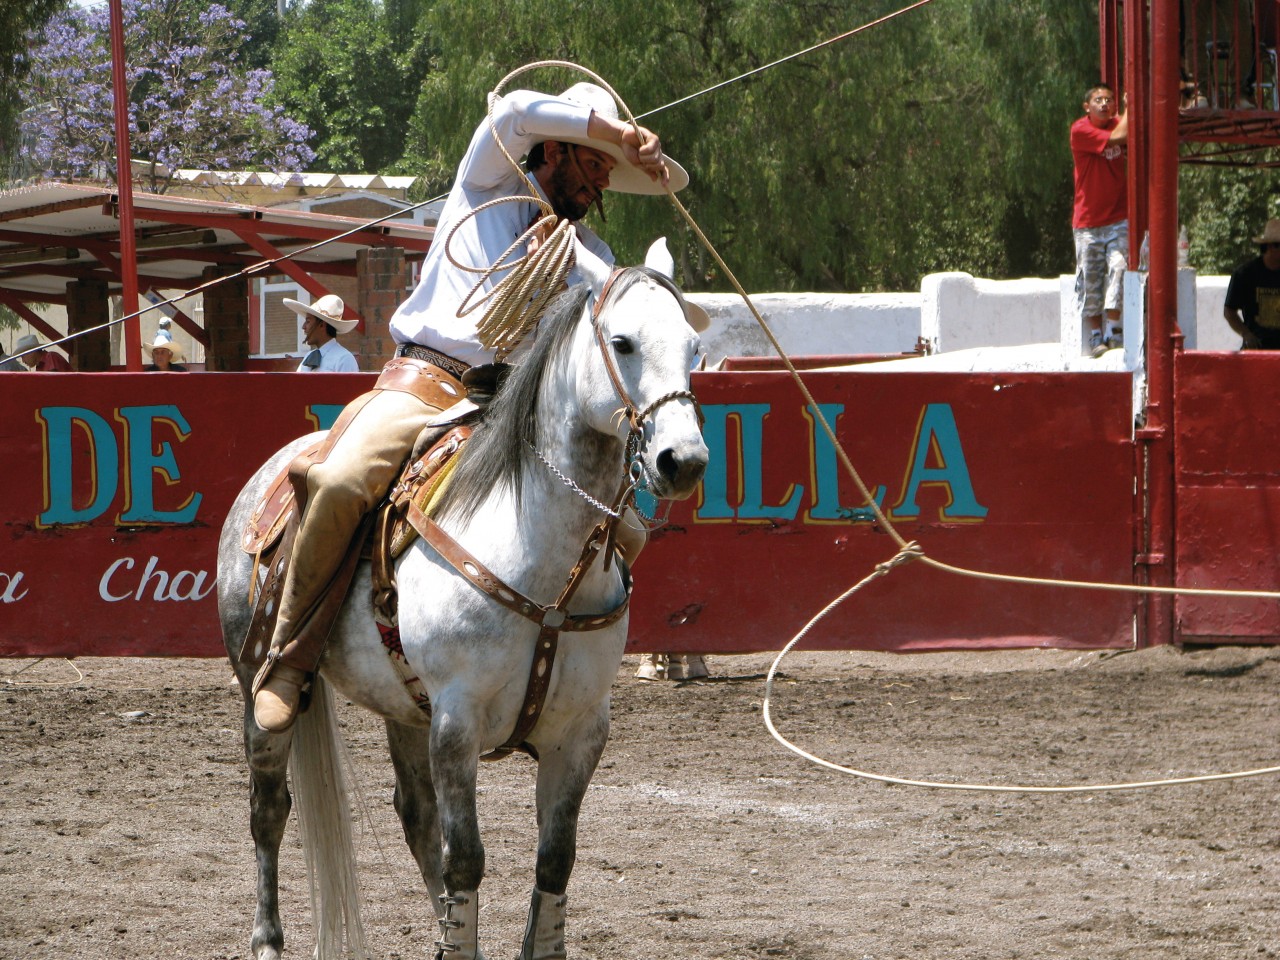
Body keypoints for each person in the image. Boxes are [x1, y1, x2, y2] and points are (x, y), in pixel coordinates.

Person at [251, 81, 694, 733]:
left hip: (517, 406)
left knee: (623, 528)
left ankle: (546, 667)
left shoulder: (589, 256)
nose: (600, 184)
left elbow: (620, 313)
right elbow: (513, 109)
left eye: (608, 169)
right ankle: (290, 657)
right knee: (344, 482)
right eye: (595, 163)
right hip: (426, 380)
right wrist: (622, 132)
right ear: (556, 151)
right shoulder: (488, 181)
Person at [1070, 82, 1129, 358]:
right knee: (1090, 278)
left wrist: (1128, 112)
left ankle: (1114, 330)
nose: (1104, 104)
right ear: (1087, 106)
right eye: (1098, 100)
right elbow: (1121, 136)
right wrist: (1130, 110)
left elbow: (1126, 130)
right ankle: (1096, 336)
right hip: (1088, 223)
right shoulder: (1081, 130)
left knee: (1119, 268)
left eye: (1109, 99)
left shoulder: (1118, 122)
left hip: (1117, 218)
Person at [1224, 218, 1280, 349]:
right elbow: (1229, 311)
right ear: (1270, 246)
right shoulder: (1245, 274)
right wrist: (1246, 334)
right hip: (1257, 351)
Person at [286, 294, 360, 372]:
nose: (303, 327)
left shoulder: (344, 359)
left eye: (308, 321)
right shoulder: (308, 357)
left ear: (322, 325)